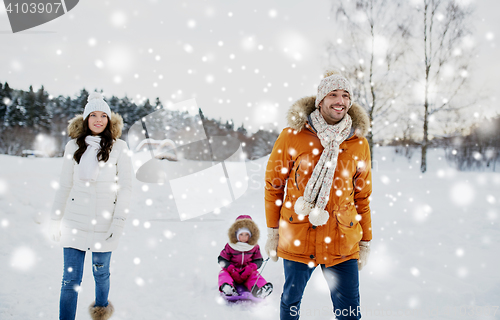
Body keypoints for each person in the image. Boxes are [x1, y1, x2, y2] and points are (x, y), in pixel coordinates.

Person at [264, 70, 372, 320]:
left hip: (342, 240)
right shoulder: (293, 135)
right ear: (320, 101)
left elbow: (363, 196)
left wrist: (365, 241)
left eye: (345, 95)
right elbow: (274, 186)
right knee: (291, 301)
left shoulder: (358, 143)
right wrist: (273, 232)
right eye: (333, 94)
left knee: (349, 311)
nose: (340, 101)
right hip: (298, 234)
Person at [49, 92, 133, 320]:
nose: (98, 119)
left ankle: (101, 309)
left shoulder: (119, 148)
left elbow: (126, 188)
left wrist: (119, 221)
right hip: (74, 222)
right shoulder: (72, 147)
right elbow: (64, 186)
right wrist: (55, 218)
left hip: (105, 223)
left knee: (101, 273)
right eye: (93, 115)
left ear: (109, 120)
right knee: (70, 281)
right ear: (85, 119)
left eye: (103, 115)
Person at [218, 215, 273, 299]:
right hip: (232, 272)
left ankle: (260, 289)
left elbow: (258, 260)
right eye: (241, 234)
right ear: (236, 234)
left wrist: (251, 268)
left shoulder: (254, 246)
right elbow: (222, 259)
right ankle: (228, 287)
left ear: (250, 235)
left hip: (247, 273)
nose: (244, 237)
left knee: (255, 276)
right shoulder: (230, 246)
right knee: (223, 274)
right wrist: (231, 269)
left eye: (246, 234)